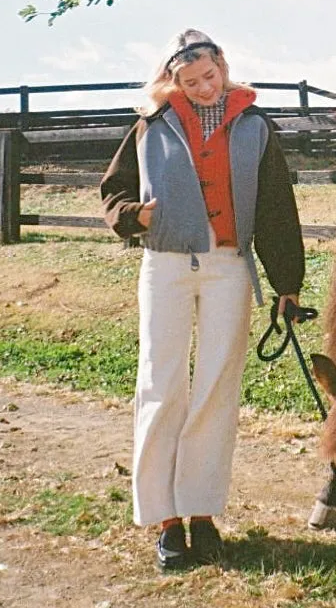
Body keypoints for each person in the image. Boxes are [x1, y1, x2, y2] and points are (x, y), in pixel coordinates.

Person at [100, 29, 305, 572]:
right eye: (190, 82)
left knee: (216, 389)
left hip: (228, 268)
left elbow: (277, 207)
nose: (203, 88)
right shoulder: (151, 125)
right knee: (160, 385)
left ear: (223, 66)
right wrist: (131, 217)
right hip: (165, 265)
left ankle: (201, 514)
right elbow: (114, 191)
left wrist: (287, 283)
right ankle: (165, 521)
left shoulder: (256, 126)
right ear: (174, 81)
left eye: (210, 77)